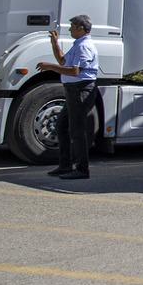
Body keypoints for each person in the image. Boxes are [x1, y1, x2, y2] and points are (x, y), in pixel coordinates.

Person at [37, 15, 99, 180]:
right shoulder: (78, 45)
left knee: (77, 131)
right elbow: (63, 61)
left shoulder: (84, 46)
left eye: (72, 26)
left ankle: (82, 169)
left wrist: (50, 67)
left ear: (80, 28)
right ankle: (65, 165)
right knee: (61, 126)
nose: (70, 29)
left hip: (81, 90)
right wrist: (54, 44)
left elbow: (74, 71)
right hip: (74, 90)